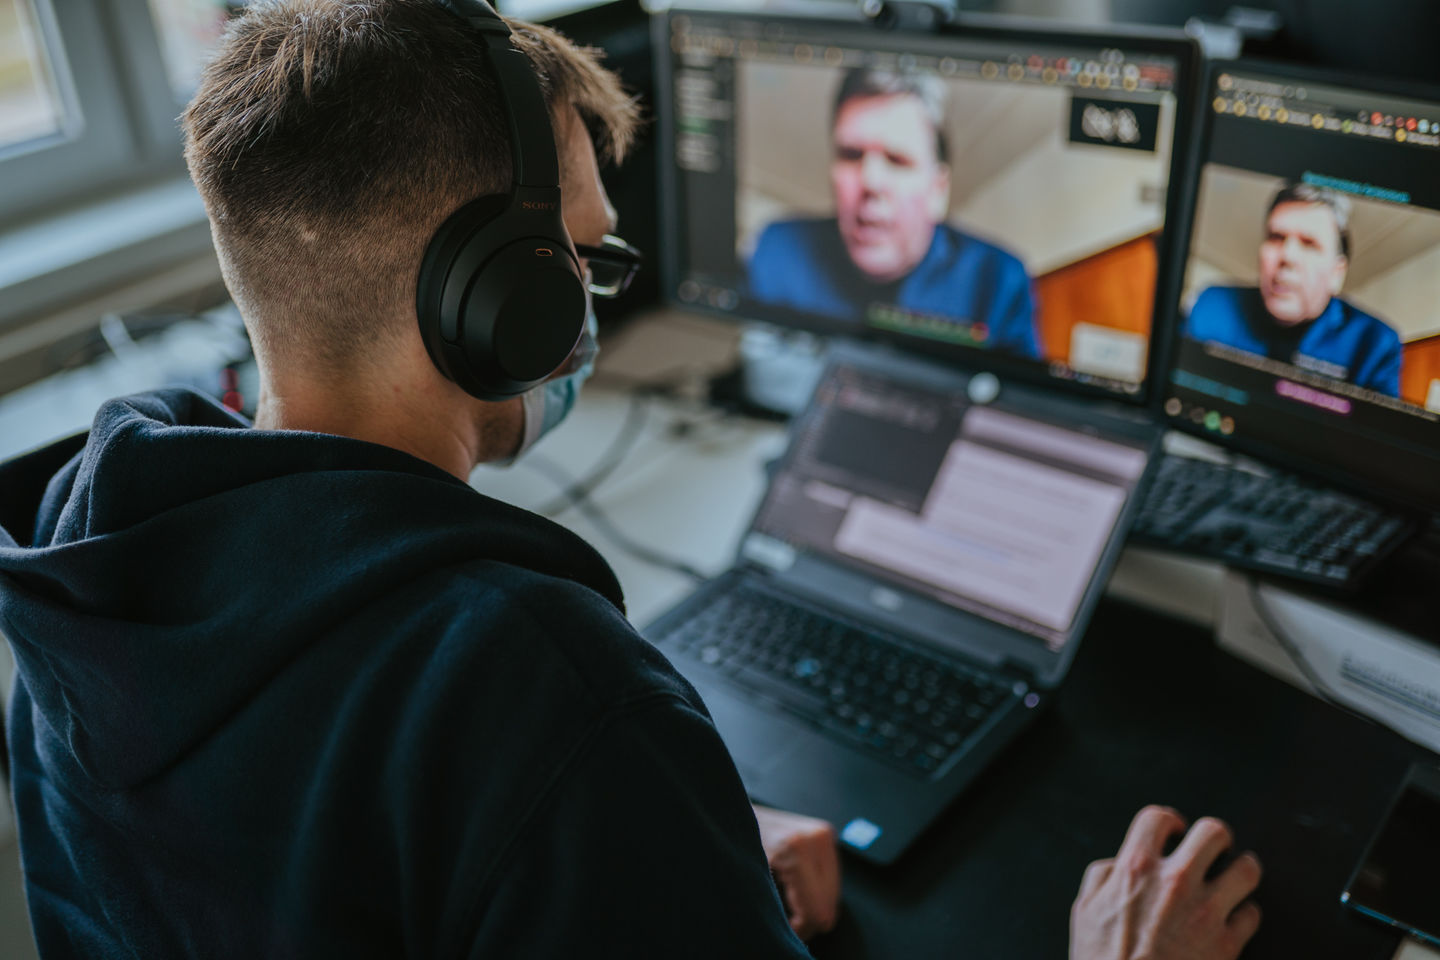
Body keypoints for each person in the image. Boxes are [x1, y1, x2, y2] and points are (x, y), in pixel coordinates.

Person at [0, 2, 1260, 957]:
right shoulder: (547, 694)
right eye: (587, 263)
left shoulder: (93, 559)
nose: (591, 307)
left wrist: (652, 852)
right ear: (500, 301)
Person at [747, 67, 1040, 358]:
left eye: (897, 160)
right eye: (851, 155)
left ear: (938, 190)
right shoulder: (776, 252)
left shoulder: (998, 279)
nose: (870, 181)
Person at [1186, 181, 1402, 397]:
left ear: (1337, 274)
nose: (1287, 256)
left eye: (1309, 243)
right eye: (1276, 237)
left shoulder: (1376, 344)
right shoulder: (1211, 306)